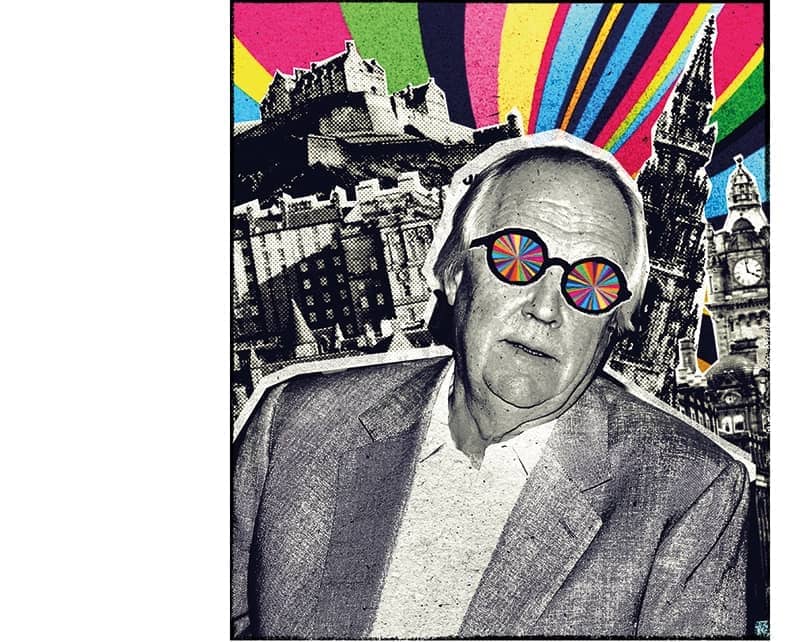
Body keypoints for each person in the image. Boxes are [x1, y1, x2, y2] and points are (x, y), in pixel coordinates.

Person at [232, 131, 751, 639]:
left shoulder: (688, 493)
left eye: (592, 282)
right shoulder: (292, 425)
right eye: (518, 258)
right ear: (455, 274)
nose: (546, 308)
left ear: (617, 321)